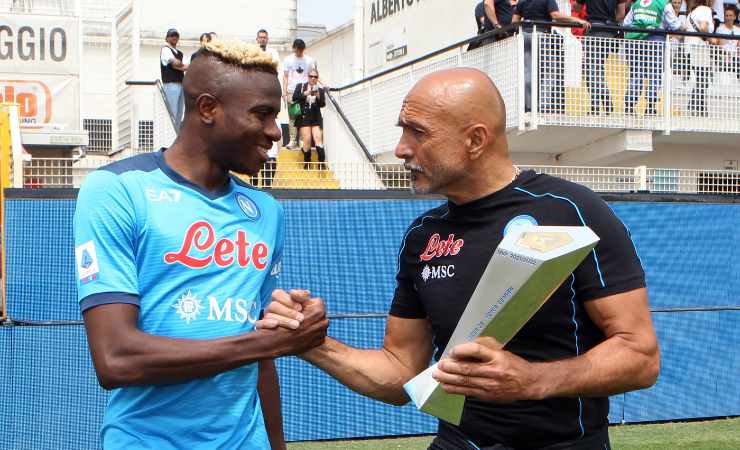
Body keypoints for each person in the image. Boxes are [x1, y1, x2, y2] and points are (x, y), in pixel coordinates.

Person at [260, 68, 660, 450]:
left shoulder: (572, 210)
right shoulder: (423, 237)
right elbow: (401, 371)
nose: (401, 148)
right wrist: (309, 343)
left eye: (417, 133)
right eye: (403, 130)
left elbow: (640, 356)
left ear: (475, 140)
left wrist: (533, 380)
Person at [74, 39, 328, 450]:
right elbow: (116, 358)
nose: (274, 132)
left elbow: (259, 351)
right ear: (207, 108)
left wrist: (276, 443)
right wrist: (269, 342)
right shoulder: (117, 190)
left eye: (276, 117)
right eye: (261, 115)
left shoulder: (265, 211)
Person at [513, 0, 590, 113]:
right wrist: (576, 19)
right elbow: (555, 15)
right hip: (541, 34)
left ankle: (529, 107)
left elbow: (514, 21)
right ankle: (543, 106)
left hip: (525, 36)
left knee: (528, 72)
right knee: (549, 71)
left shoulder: (522, 1)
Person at [623, 0, 682, 116]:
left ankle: (629, 106)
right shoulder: (663, 4)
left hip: (634, 41)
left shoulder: (637, 3)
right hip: (655, 41)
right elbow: (676, 25)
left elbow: (626, 23)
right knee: (655, 74)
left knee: (636, 73)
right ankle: (650, 106)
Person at [575, 0, 627, 114]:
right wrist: (612, 21)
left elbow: (577, 8)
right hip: (608, 31)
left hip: (592, 28)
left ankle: (596, 104)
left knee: (592, 69)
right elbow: (621, 14)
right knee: (597, 68)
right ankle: (604, 99)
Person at [684, 0, 719, 116]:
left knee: (701, 79)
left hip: (689, 48)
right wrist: (710, 39)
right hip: (698, 48)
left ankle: (697, 107)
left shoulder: (692, 12)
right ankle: (696, 107)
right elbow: (703, 27)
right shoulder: (705, 9)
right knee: (703, 79)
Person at [283, 39, 317, 149]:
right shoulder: (288, 60)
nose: (299, 52)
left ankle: (303, 140)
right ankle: (293, 140)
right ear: (294, 48)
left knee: (303, 116)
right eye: (297, 50)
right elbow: (286, 76)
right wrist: (284, 91)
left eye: (301, 50)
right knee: (293, 116)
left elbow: (314, 75)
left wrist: (314, 89)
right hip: (292, 91)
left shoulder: (309, 60)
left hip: (305, 91)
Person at [292, 68, 326, 170]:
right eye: (311, 76)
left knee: (318, 139)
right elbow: (294, 97)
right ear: (308, 77)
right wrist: (305, 94)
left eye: (315, 77)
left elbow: (322, 104)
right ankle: (307, 162)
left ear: (317, 78)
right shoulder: (301, 86)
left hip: (316, 117)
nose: (313, 79)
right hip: (304, 116)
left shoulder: (319, 90)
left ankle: (321, 163)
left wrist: (319, 96)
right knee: (307, 140)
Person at [160, 28, 188, 131]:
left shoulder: (179, 53)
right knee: (172, 112)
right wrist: (180, 65)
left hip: (180, 84)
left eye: (176, 35)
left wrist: (180, 65)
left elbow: (182, 66)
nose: (174, 37)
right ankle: (169, 136)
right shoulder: (165, 49)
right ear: (167, 38)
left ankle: (175, 136)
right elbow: (175, 63)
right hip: (171, 84)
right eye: (171, 35)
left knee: (179, 113)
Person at [716, 5, 739, 74]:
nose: (728, 18)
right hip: (723, 60)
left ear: (735, 17)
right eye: (726, 15)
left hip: (736, 60)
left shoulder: (738, 30)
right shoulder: (720, 29)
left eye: (730, 15)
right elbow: (719, 46)